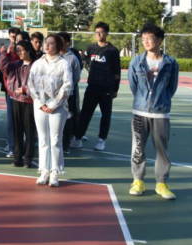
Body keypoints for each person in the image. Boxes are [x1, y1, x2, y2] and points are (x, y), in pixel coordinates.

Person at [128, 24, 179, 201]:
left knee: (162, 150)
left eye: (149, 38)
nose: (145, 42)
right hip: (140, 112)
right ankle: (138, 181)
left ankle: (161, 183)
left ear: (159, 40)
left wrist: (160, 100)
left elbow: (172, 87)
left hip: (161, 112)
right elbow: (134, 86)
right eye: (143, 39)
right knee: (138, 148)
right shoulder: (136, 62)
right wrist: (143, 101)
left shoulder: (171, 63)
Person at [28, 34, 73, 188]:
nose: (47, 46)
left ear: (58, 46)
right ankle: (44, 171)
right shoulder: (37, 63)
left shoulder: (64, 64)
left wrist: (54, 104)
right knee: (43, 139)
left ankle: (55, 171)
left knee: (55, 140)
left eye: (51, 43)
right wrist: (40, 103)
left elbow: (67, 86)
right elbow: (31, 84)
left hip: (58, 107)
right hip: (39, 105)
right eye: (46, 43)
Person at [71, 22, 121, 152]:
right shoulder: (91, 48)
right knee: (85, 113)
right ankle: (78, 138)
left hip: (106, 88)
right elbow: (85, 62)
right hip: (92, 86)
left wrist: (115, 89)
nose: (99, 34)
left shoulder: (112, 51)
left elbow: (117, 72)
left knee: (106, 115)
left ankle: (101, 140)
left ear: (107, 33)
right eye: (96, 32)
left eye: (101, 32)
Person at [0, 40, 38, 169]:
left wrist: (26, 90)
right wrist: (6, 53)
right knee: (17, 130)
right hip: (16, 99)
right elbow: (3, 67)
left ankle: (28, 158)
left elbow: (40, 83)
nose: (19, 53)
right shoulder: (16, 64)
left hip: (30, 101)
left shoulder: (36, 65)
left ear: (28, 50)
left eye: (22, 50)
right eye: (18, 51)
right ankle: (17, 157)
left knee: (29, 130)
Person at [0, 27, 21, 157]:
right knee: (11, 120)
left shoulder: (24, 50)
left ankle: (24, 145)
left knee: (24, 121)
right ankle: (12, 145)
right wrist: (7, 53)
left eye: (16, 37)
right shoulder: (5, 50)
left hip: (24, 91)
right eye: (12, 37)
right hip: (10, 90)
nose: (14, 39)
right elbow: (2, 68)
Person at [59, 32, 82, 155]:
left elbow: (76, 78)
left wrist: (67, 88)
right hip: (54, 95)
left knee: (67, 118)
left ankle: (65, 145)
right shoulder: (53, 56)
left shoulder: (72, 58)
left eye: (61, 41)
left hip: (68, 94)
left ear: (67, 43)